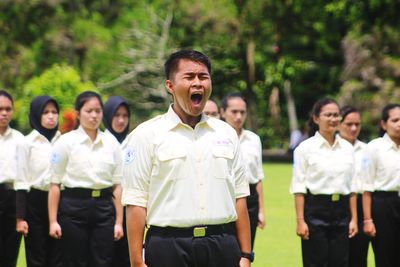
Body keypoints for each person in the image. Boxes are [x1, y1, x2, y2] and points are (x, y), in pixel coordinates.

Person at [122, 50, 252, 267]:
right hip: (168, 246)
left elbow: (239, 197)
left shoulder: (226, 134)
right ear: (170, 86)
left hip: (222, 244)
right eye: (189, 77)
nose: (198, 83)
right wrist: (136, 261)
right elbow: (135, 202)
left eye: (203, 77)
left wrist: (246, 255)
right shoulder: (145, 135)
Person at [48, 91, 124, 267]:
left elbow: (117, 186)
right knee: (75, 260)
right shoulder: (65, 143)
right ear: (77, 113)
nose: (94, 115)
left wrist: (119, 222)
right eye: (89, 111)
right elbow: (54, 184)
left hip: (104, 208)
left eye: (98, 111)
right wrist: (53, 221)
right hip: (73, 207)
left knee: (103, 260)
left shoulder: (112, 143)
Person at [290, 98, 358, 267]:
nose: (333, 119)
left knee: (340, 261)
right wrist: (300, 220)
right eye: (328, 115)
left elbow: (352, 186)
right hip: (315, 210)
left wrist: (354, 219)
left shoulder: (348, 148)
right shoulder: (304, 149)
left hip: (341, 211)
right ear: (316, 118)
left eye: (336, 115)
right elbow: (299, 187)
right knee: (316, 261)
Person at [15, 95, 63, 267]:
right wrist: (20, 217)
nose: (51, 116)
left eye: (54, 112)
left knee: (58, 256)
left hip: (60, 200)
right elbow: (21, 181)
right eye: (45, 112)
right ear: (36, 115)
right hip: (35, 202)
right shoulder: (26, 143)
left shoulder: (64, 141)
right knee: (37, 255)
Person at [220, 92, 265, 252]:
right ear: (222, 112)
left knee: (246, 250)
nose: (238, 116)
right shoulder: (215, 137)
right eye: (234, 111)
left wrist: (261, 210)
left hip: (250, 198)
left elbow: (258, 176)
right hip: (224, 197)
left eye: (242, 112)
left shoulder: (254, 139)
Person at [363, 103, 400, 267]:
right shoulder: (374, 148)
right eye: (395, 120)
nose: (399, 124)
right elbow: (366, 185)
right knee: (386, 254)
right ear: (384, 124)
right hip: (384, 205)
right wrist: (368, 219)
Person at [338, 106, 370, 267]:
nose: (353, 128)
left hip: (362, 203)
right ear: (339, 123)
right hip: (338, 204)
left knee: (359, 254)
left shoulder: (367, 150)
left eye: (357, 124)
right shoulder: (333, 149)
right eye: (349, 124)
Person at [103, 96, 131, 267]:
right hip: (105, 208)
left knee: (127, 257)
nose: (121, 120)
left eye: (125, 115)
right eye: (116, 115)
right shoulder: (101, 141)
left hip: (130, 207)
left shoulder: (134, 140)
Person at [0, 90, 24, 267]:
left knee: (10, 251)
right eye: (0, 109)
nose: (4, 113)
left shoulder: (20, 140)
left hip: (12, 197)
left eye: (8, 109)